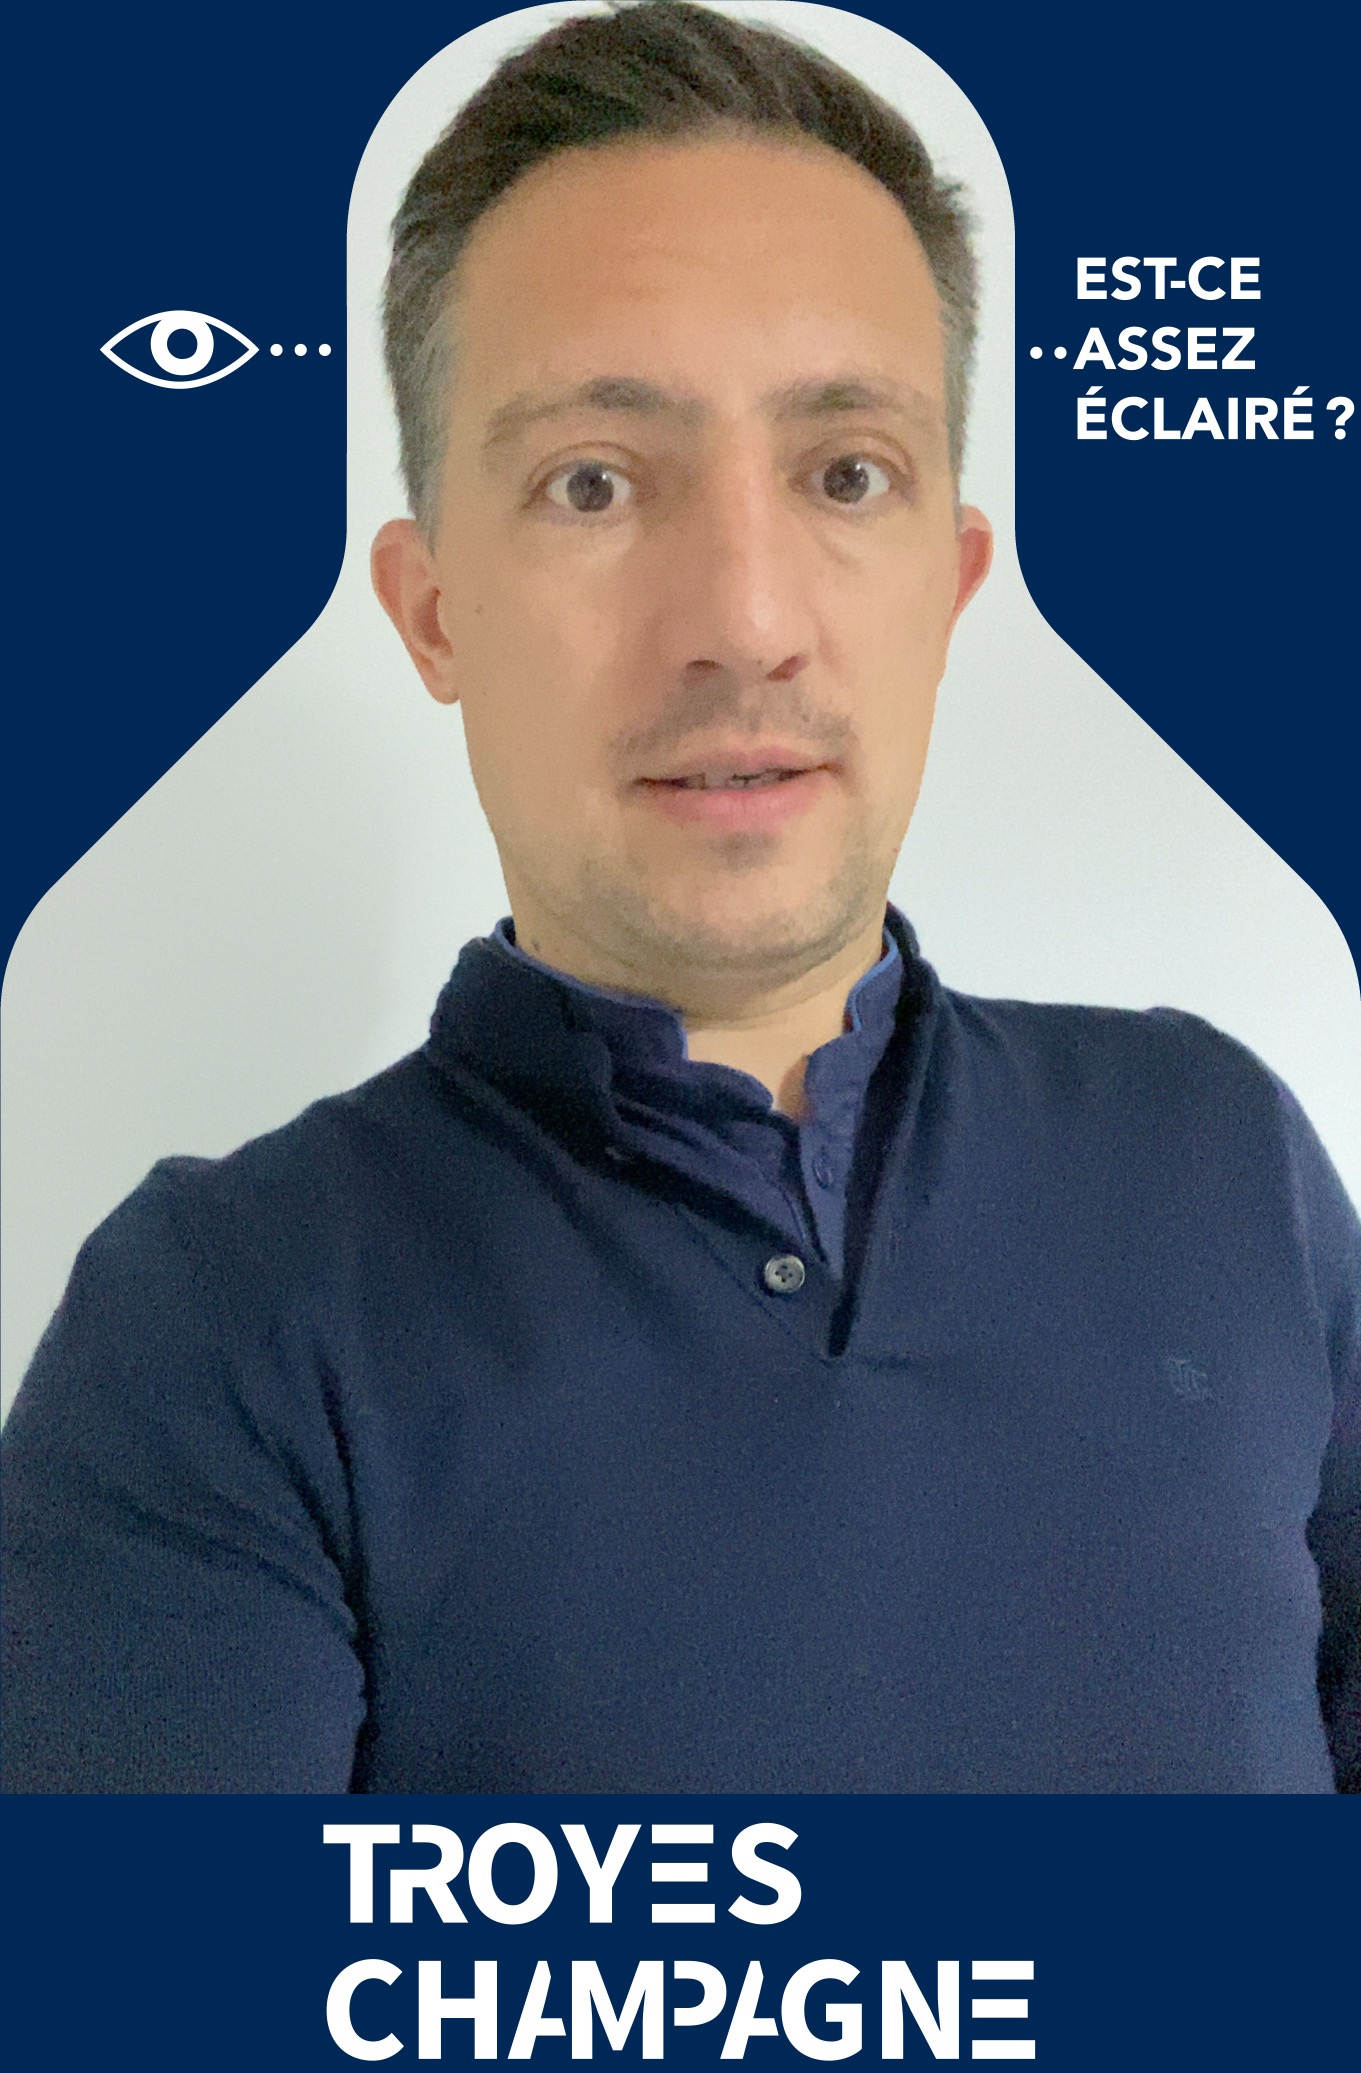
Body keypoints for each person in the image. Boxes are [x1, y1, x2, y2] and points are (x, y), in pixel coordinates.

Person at [2, 0, 1357, 1794]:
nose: (744, 617)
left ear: (949, 586)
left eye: (846, 474)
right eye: (593, 483)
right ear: (432, 612)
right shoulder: (214, 1329)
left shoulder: (1222, 1157)